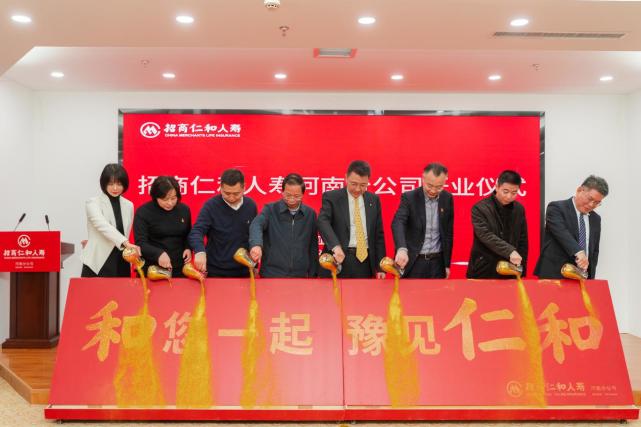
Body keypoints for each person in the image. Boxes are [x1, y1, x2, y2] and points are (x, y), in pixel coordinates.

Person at [317, 160, 386, 279]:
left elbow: (378, 234)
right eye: (354, 184)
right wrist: (335, 246)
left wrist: (380, 267)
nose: (358, 189)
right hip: (338, 259)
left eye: (363, 185)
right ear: (346, 178)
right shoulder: (332, 197)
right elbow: (323, 222)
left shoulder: (373, 200)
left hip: (365, 262)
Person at [534, 175, 609, 280]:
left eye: (597, 203)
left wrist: (591, 277)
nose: (591, 205)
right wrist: (579, 252)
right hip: (555, 275)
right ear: (579, 190)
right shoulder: (556, 208)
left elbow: (594, 251)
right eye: (590, 199)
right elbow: (562, 234)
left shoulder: (595, 219)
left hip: (582, 277)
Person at [188, 168, 257, 277]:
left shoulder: (250, 205)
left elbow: (254, 235)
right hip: (216, 271)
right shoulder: (211, 206)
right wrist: (199, 251)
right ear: (220, 187)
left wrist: (255, 265)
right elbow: (197, 231)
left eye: (236, 193)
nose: (231, 197)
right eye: (227, 193)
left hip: (244, 270)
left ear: (244, 187)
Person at [248, 173, 319, 278]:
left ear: (303, 194)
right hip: (272, 273)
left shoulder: (310, 214)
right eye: (288, 195)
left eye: (297, 196)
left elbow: (313, 246)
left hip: (300, 275)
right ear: (282, 192)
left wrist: (313, 274)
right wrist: (256, 244)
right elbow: (256, 224)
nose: (292, 199)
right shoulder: (270, 210)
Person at [392, 162, 454, 278]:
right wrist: (401, 249)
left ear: (445, 181)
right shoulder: (409, 197)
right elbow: (398, 222)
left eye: (439, 187)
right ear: (423, 178)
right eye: (429, 186)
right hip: (414, 262)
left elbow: (448, 234)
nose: (433, 190)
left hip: (437, 263)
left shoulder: (447, 198)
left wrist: (446, 265)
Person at [466, 170, 528, 279]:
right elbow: (485, 235)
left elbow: (523, 240)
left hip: (510, 269)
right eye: (505, 191)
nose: (509, 196)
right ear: (497, 187)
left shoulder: (519, 209)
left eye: (514, 193)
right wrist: (510, 251)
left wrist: (522, 269)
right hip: (484, 268)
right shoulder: (480, 208)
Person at [81, 163, 140, 277]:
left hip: (122, 259)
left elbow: (126, 231)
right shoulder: (93, 203)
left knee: (122, 289)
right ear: (104, 183)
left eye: (119, 184)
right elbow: (103, 226)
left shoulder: (129, 205)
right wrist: (125, 243)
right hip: (98, 261)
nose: (115, 188)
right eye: (111, 184)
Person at [133, 176, 192, 278]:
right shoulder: (143, 212)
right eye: (165, 199)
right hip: (152, 269)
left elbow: (188, 234)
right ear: (156, 197)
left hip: (179, 269)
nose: (170, 203)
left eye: (173, 198)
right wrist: (158, 253)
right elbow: (140, 243)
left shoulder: (184, 210)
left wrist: (188, 247)